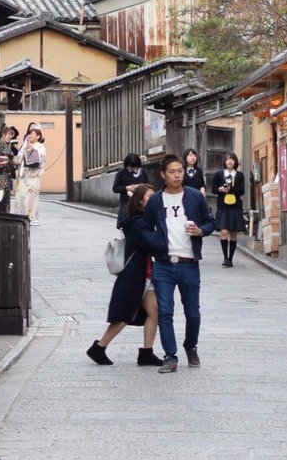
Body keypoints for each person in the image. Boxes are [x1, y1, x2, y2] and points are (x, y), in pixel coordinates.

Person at [138, 152, 216, 373]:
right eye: (172, 172)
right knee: (165, 310)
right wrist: (154, 242)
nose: (177, 175)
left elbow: (211, 222)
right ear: (163, 174)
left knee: (193, 312)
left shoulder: (195, 197)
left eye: (180, 171)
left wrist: (200, 231)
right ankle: (170, 356)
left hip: (189, 262)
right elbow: (144, 227)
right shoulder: (155, 201)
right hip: (163, 263)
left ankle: (190, 346)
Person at [86, 184, 163, 367]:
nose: (154, 199)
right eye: (150, 196)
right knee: (124, 316)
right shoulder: (137, 222)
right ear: (139, 201)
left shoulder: (145, 220)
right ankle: (99, 347)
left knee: (154, 311)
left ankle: (146, 353)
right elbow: (150, 244)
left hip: (146, 275)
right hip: (135, 276)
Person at [212, 152, 246, 267]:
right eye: (227, 160)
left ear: (235, 162)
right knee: (224, 231)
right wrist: (220, 189)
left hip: (235, 207)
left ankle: (230, 258)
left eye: (232, 159)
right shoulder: (218, 174)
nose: (230, 161)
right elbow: (213, 189)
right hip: (222, 206)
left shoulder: (240, 175)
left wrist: (231, 189)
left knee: (233, 233)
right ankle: (225, 257)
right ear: (224, 162)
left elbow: (242, 191)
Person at [14, 124, 46, 225]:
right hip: (24, 175)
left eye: (33, 134)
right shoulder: (25, 144)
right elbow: (19, 159)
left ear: (38, 136)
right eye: (30, 134)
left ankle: (33, 218)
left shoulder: (41, 146)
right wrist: (24, 148)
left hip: (33, 176)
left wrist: (32, 149)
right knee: (21, 196)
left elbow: (41, 158)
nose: (30, 136)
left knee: (32, 197)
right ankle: (21, 217)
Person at [112, 153, 149, 225]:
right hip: (126, 203)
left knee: (141, 225)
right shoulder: (121, 173)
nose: (133, 169)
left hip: (140, 203)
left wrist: (139, 187)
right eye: (130, 167)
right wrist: (127, 188)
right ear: (127, 164)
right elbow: (115, 188)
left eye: (135, 167)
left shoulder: (143, 173)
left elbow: (148, 186)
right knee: (126, 225)